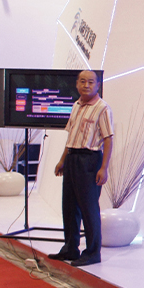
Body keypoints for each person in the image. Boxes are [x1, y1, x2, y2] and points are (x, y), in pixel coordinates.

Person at [49, 70, 114, 267]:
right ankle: (70, 248)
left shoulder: (102, 108)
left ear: (98, 85)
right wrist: (63, 160)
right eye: (83, 81)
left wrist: (104, 168)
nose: (86, 85)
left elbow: (108, 139)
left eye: (91, 82)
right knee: (69, 206)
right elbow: (72, 136)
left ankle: (93, 252)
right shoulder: (76, 105)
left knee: (88, 207)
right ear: (77, 84)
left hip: (90, 160)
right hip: (72, 158)